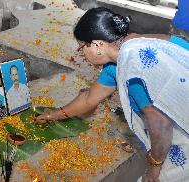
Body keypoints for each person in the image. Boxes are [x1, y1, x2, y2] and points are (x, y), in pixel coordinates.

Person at [35, 7, 189, 182]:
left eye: (81, 48)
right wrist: (51, 115)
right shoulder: (126, 51)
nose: (82, 55)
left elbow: (161, 126)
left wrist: (154, 166)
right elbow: (88, 99)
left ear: (97, 45)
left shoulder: (134, 67)